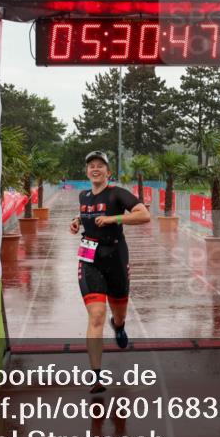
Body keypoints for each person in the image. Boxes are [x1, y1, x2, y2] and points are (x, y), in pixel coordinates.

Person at [69, 150, 150, 393]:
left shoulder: (117, 193)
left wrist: (114, 219)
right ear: (86, 171)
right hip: (89, 258)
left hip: (115, 258)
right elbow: (88, 215)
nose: (95, 169)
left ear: (108, 172)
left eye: (100, 166)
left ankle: (120, 326)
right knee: (95, 315)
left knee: (118, 314)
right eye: (91, 165)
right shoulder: (83, 196)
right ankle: (96, 376)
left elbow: (144, 215)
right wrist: (77, 222)